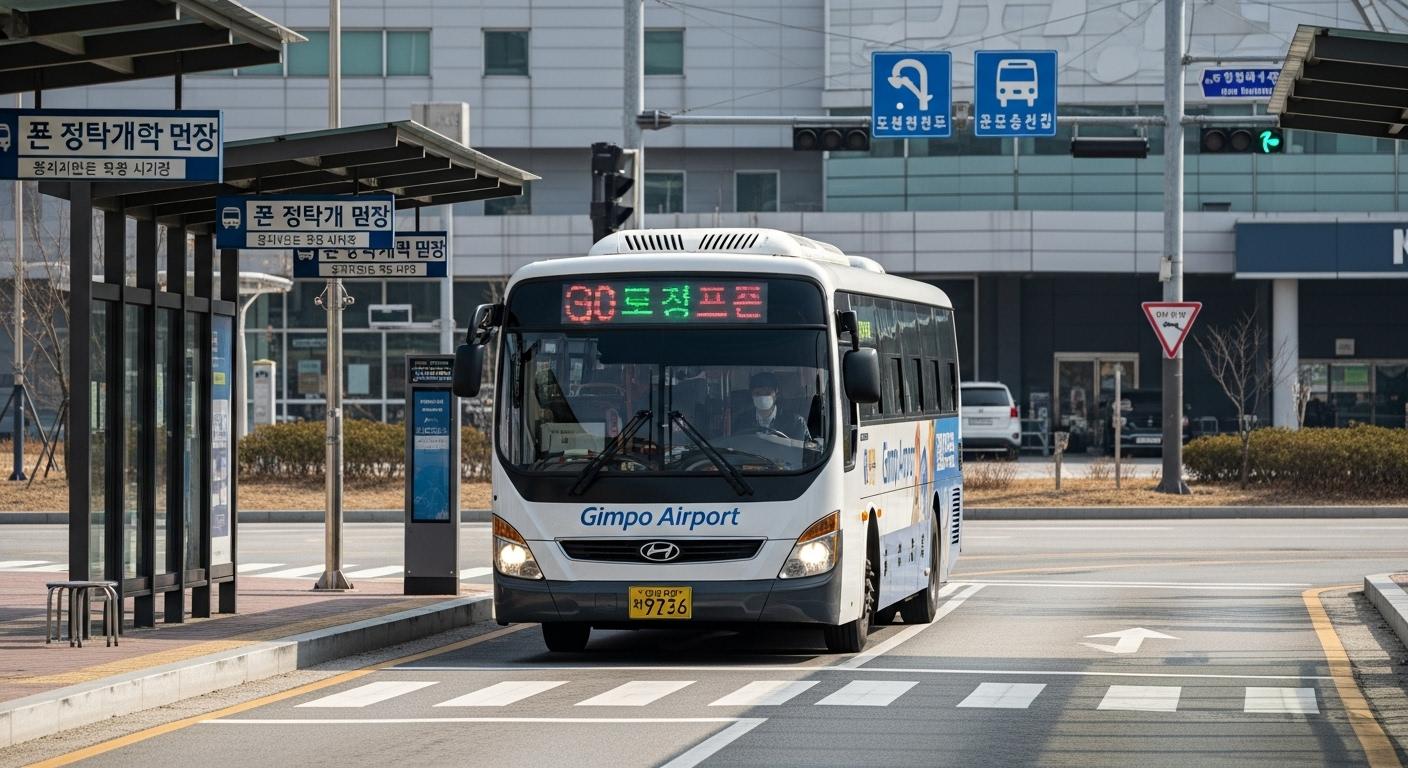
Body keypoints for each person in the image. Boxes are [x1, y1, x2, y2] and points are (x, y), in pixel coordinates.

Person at [733, 371, 809, 440]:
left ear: (776, 393)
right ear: (751, 395)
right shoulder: (741, 421)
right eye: (758, 393)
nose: (762, 398)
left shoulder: (796, 423)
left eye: (767, 393)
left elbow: (803, 451)